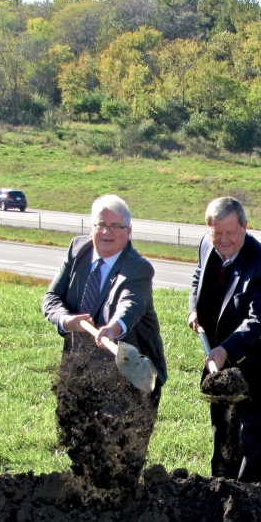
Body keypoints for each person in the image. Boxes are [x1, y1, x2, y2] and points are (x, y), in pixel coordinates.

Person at [42, 194, 167, 481]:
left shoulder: (137, 268)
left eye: (115, 226)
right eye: (101, 225)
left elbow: (131, 303)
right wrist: (66, 320)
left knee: (120, 460)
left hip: (130, 376)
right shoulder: (78, 249)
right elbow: (52, 298)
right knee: (83, 451)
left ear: (129, 231)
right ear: (91, 227)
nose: (107, 232)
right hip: (82, 374)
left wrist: (114, 327)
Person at [188, 197, 261, 484]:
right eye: (216, 232)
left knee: (253, 447)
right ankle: (221, 501)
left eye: (230, 233)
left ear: (245, 226)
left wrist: (225, 350)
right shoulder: (206, 244)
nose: (222, 240)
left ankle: (251, 511)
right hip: (221, 367)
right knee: (223, 438)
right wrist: (194, 308)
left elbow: (260, 320)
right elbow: (199, 276)